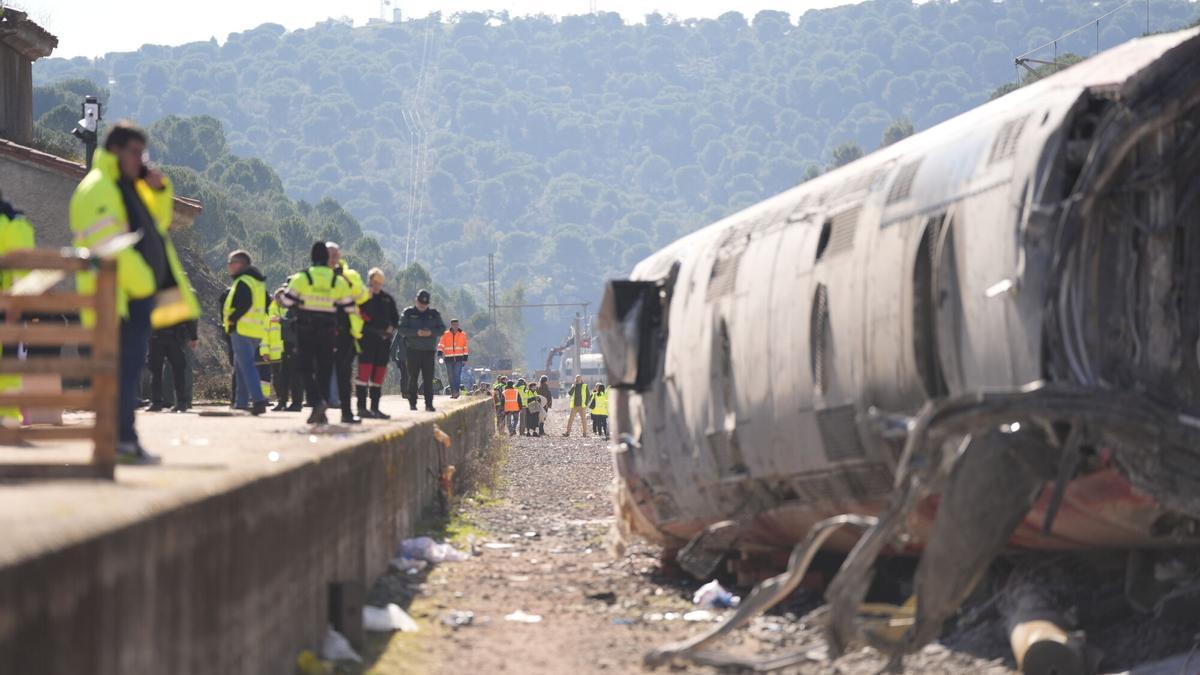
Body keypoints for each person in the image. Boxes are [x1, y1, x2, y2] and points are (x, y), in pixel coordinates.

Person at [69, 121, 200, 464]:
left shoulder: (127, 187)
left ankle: (126, 441)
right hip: (118, 300)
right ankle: (120, 443)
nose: (142, 160)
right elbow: (107, 247)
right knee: (121, 374)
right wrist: (145, 283)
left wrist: (159, 190)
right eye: (136, 152)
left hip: (133, 300)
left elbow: (158, 222)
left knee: (128, 374)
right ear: (116, 150)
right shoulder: (99, 188)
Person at [276, 242, 357, 425]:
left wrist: (292, 299)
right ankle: (322, 412)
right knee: (324, 371)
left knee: (304, 367)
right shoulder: (337, 280)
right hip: (328, 331)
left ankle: (317, 402)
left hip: (305, 330)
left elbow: (286, 302)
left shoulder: (302, 277)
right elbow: (350, 307)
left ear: (312, 257)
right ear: (327, 258)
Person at [0, 195, 34, 426]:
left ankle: (9, 417)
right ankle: (9, 418)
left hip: (7, 308)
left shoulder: (12, 224)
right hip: (9, 307)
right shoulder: (15, 224)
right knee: (10, 366)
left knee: (10, 364)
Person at [222, 250, 268, 416]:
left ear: (240, 264)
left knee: (247, 366)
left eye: (230, 263)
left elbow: (244, 304)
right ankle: (240, 403)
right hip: (255, 331)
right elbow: (267, 302)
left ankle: (258, 400)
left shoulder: (243, 282)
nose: (228, 266)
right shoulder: (257, 283)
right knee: (240, 368)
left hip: (241, 330)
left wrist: (232, 319)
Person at [326, 242, 367, 424]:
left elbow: (362, 296)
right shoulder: (318, 274)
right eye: (329, 255)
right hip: (322, 329)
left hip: (346, 331)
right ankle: (320, 411)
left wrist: (344, 280)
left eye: (335, 255)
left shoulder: (351, 275)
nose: (332, 258)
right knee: (321, 371)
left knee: (344, 373)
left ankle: (347, 413)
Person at [356, 268, 399, 419]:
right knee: (364, 374)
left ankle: (375, 408)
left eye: (378, 283)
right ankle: (361, 408)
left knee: (378, 375)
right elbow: (355, 314)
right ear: (369, 281)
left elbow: (395, 319)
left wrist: (390, 329)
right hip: (366, 339)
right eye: (373, 282)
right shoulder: (362, 297)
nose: (376, 285)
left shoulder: (387, 299)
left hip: (383, 341)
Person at [398, 289, 446, 412]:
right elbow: (401, 329)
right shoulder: (408, 313)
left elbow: (442, 329)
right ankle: (412, 403)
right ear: (416, 301)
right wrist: (416, 332)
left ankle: (429, 404)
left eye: (425, 304)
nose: (422, 306)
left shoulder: (434, 314)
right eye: (420, 303)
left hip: (428, 351)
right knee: (413, 378)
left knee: (428, 378)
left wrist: (431, 332)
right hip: (413, 350)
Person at [147, 320, 196, 412]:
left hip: (165, 336)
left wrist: (193, 336)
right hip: (169, 337)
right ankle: (179, 403)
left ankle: (158, 403)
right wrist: (193, 336)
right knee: (169, 371)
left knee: (172, 371)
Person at [269, 288, 306, 411]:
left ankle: (296, 403)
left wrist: (280, 320)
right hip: (287, 345)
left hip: (294, 345)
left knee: (295, 376)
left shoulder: (298, 309)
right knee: (284, 375)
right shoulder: (290, 309)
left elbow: (295, 323)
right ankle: (283, 402)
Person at [437, 319, 469, 399]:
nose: (455, 326)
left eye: (456, 324)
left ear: (458, 325)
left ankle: (456, 392)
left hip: (459, 359)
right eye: (454, 324)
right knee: (450, 376)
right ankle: (453, 392)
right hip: (448, 359)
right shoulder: (445, 334)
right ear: (451, 325)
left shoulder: (462, 334)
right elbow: (441, 345)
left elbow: (465, 347)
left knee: (457, 375)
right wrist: (440, 355)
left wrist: (465, 359)